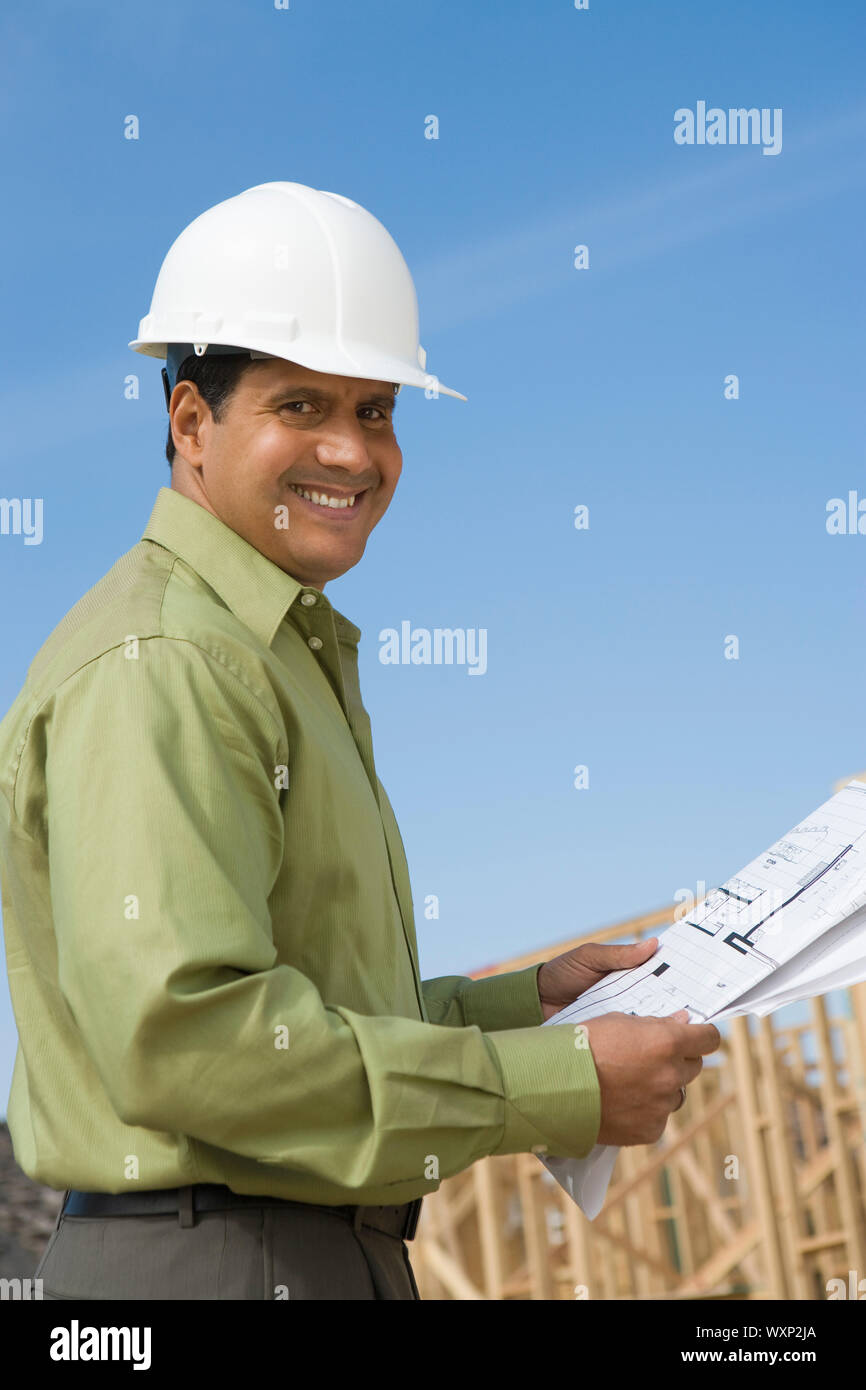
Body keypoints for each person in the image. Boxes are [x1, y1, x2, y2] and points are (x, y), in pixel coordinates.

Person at [0, 182, 720, 1301]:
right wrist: (558, 1085)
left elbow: (310, 1018)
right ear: (191, 424)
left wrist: (523, 1008)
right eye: (301, 405)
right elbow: (195, 1045)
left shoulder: (271, 651)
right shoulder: (170, 659)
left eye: (376, 410)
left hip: (291, 1252)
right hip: (217, 1262)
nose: (351, 451)